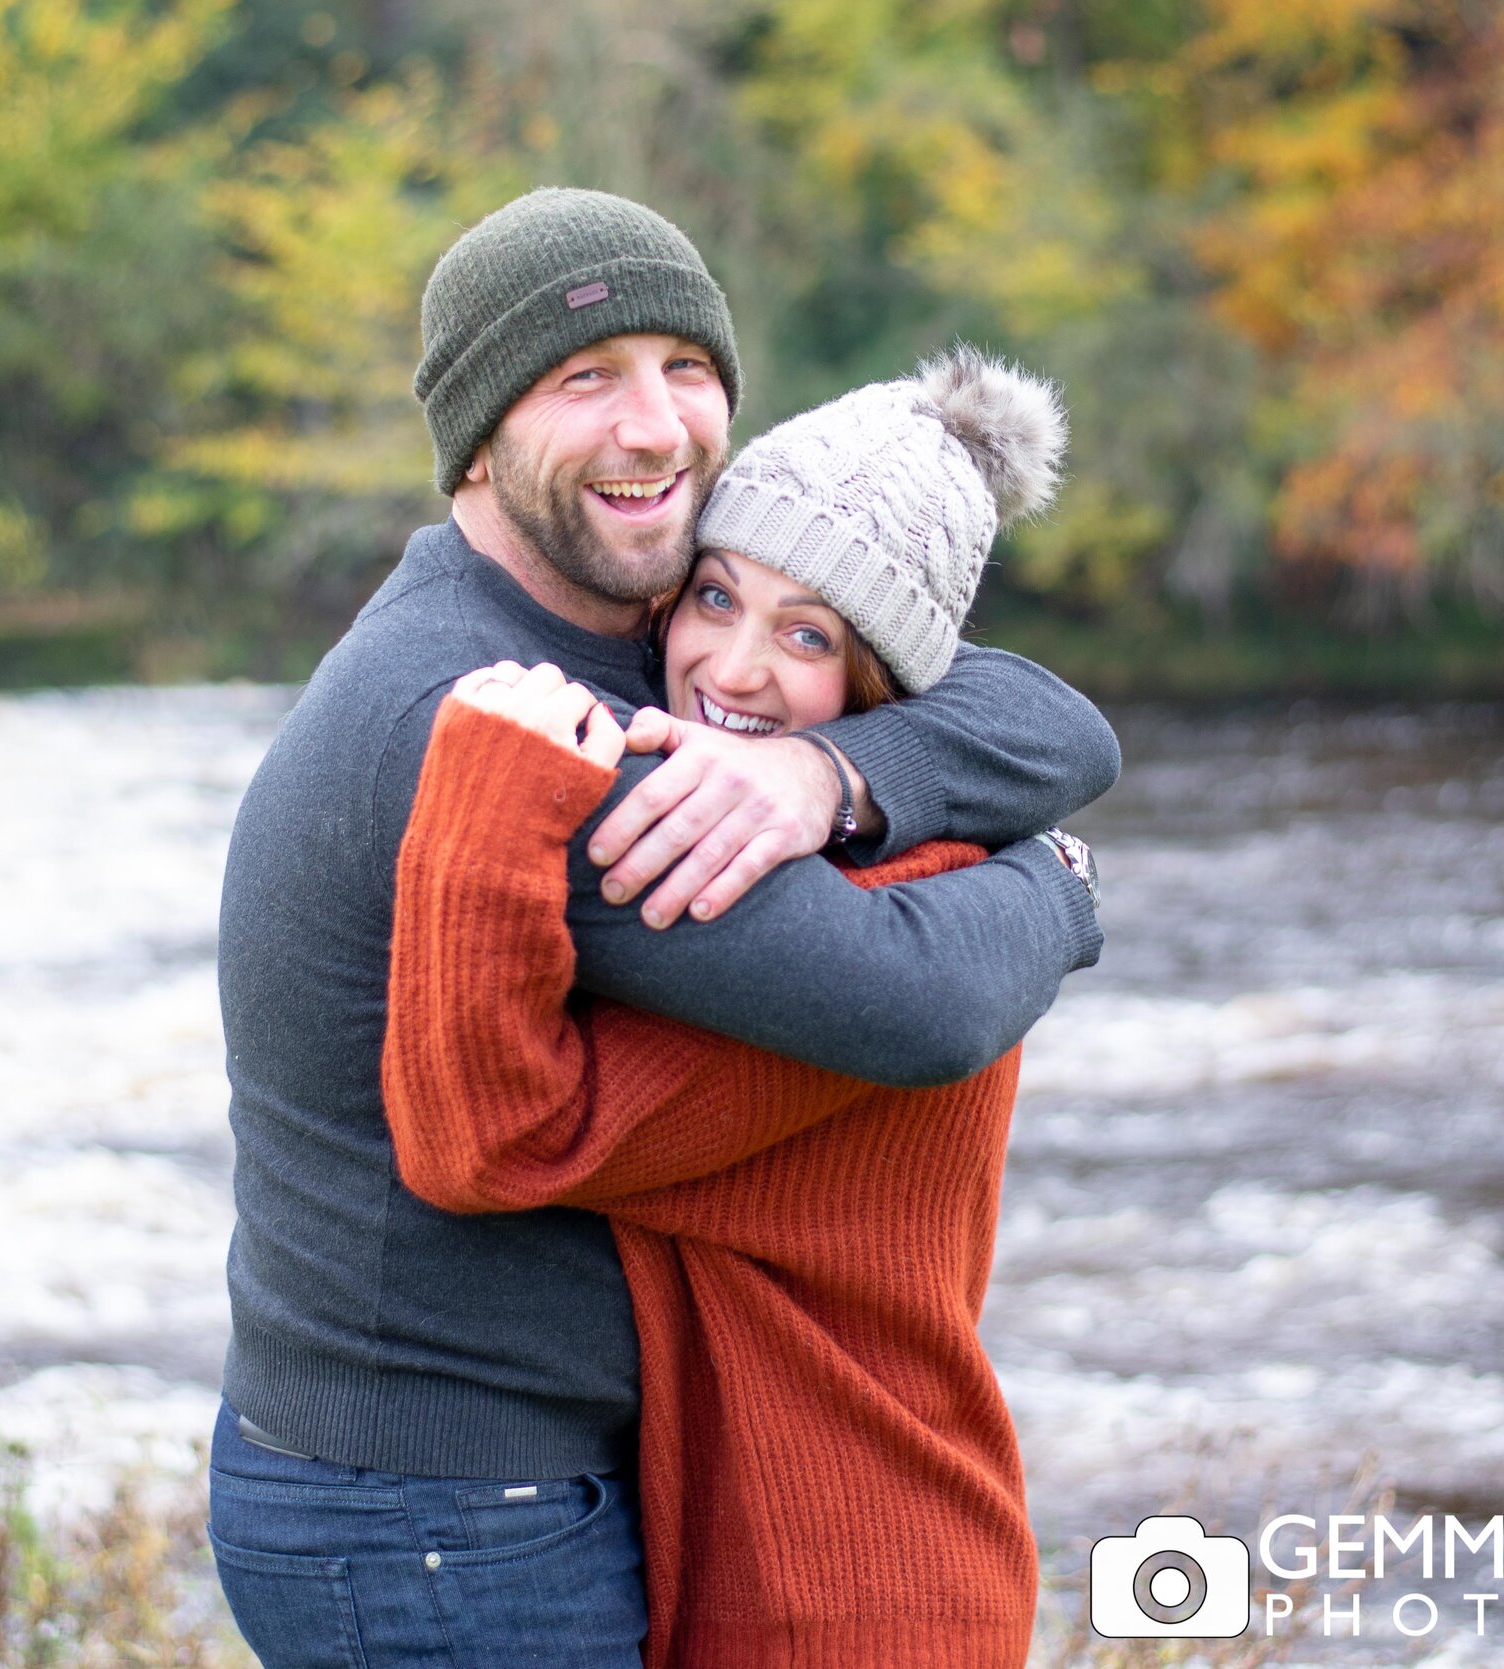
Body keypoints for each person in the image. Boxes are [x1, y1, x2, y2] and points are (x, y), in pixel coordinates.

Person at [209, 188, 1116, 1668]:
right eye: (586, 380)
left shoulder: (638, 627)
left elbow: (1047, 714)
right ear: (479, 435)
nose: (656, 427)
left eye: (685, 369)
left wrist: (833, 770)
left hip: (472, 1482)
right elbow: (909, 1003)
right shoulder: (497, 718)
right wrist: (1061, 887)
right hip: (442, 1509)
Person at [381, 347, 1081, 1668]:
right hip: (758, 1567)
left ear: (886, 692)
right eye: (716, 596)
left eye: (808, 635)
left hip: (854, 1599)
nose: (736, 666)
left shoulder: (862, 929)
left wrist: (486, 798)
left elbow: (486, 1139)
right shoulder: (797, 848)